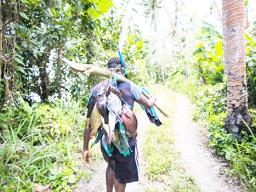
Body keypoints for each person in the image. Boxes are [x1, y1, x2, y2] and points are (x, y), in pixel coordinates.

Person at [83, 57, 156, 192]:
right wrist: (153, 99)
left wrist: (85, 148)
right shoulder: (130, 86)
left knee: (111, 165)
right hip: (126, 142)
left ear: (107, 69)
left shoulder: (96, 90)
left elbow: (88, 124)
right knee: (122, 176)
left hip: (106, 141)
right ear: (122, 69)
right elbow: (148, 104)